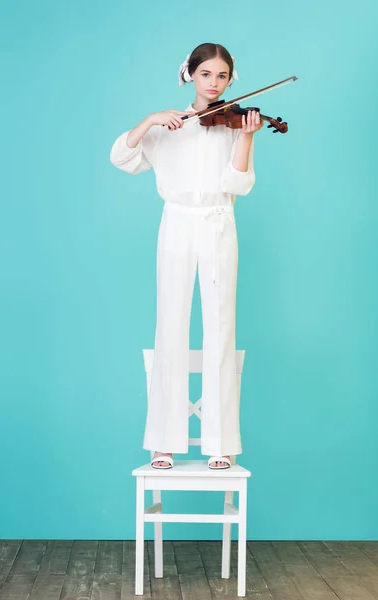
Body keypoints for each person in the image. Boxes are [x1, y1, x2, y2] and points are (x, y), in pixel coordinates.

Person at [110, 42, 263, 470]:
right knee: (170, 326)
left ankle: (220, 442)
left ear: (232, 79)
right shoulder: (168, 127)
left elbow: (238, 184)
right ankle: (164, 441)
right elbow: (121, 157)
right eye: (206, 75)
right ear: (189, 76)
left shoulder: (235, 124)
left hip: (218, 221)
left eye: (222, 76)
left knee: (220, 327)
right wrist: (149, 120)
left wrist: (247, 136)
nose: (214, 84)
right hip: (176, 223)